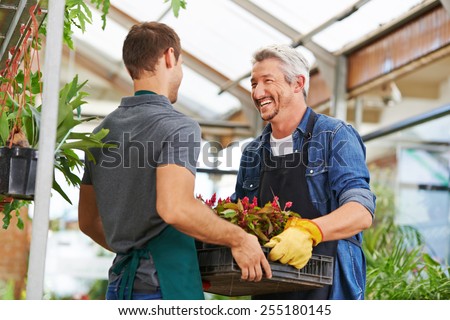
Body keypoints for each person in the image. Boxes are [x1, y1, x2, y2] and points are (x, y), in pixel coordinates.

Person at [78, 21, 271, 300]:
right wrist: (240, 238)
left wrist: (133, 247)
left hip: (120, 286)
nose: (180, 72)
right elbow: (175, 208)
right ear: (170, 57)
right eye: (180, 64)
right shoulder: (177, 126)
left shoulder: (102, 132)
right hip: (162, 288)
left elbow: (88, 221)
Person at [232, 44, 375, 300]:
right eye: (254, 83)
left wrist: (309, 231)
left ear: (297, 84)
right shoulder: (253, 153)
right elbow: (240, 218)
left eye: (267, 81)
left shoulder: (334, 136)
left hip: (330, 289)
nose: (258, 92)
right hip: (270, 290)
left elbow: (360, 211)